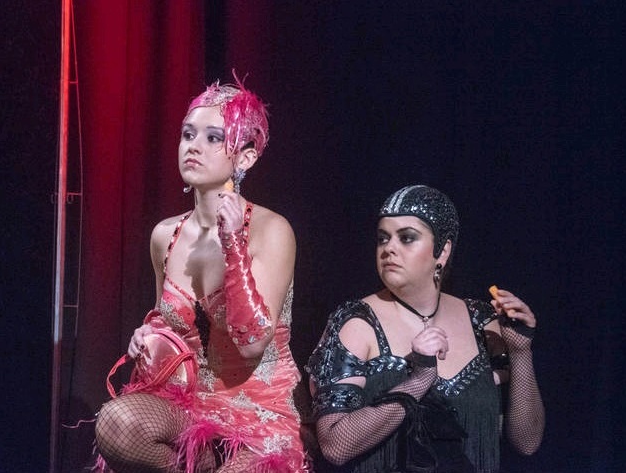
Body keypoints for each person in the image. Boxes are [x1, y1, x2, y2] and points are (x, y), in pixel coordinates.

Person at [94, 76, 310, 472]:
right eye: (187, 134)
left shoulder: (272, 230)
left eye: (214, 138)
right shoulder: (165, 235)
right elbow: (166, 320)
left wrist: (234, 246)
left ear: (245, 158)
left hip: (258, 418)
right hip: (189, 409)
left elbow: (252, 343)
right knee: (115, 423)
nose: (193, 146)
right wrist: (147, 335)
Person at [306, 184, 545, 473]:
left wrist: (520, 352)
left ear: (442, 251)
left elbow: (527, 442)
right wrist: (418, 381)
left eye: (407, 238)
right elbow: (335, 446)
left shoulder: (481, 321)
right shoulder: (357, 322)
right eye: (383, 239)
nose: (389, 248)